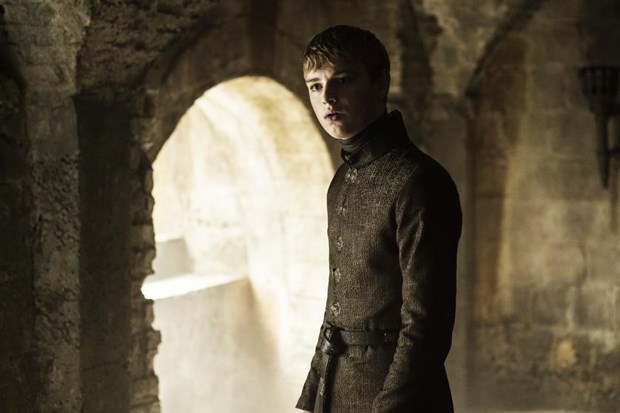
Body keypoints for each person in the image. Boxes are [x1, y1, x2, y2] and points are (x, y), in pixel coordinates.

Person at [296, 25, 462, 413]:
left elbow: (426, 328)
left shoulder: (420, 182)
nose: (327, 98)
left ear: (380, 83)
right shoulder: (342, 180)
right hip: (337, 391)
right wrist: (310, 398)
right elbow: (336, 307)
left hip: (400, 397)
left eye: (343, 80)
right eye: (315, 86)